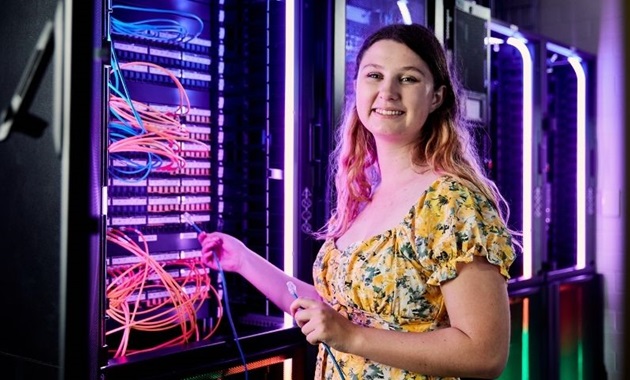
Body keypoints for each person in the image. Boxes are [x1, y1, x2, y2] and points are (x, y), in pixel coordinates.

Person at [198, 23, 517, 380]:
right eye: (374, 75)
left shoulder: (452, 203)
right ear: (357, 87)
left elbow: (485, 353)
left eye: (408, 79)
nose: (387, 92)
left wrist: (352, 337)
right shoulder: (367, 195)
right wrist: (242, 260)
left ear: (437, 97)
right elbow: (334, 312)